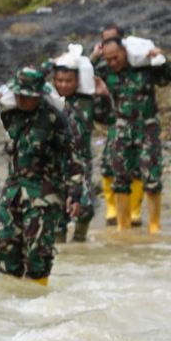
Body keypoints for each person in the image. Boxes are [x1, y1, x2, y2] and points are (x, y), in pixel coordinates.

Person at [0, 67, 84, 285]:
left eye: (26, 96)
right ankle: (9, 300)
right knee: (7, 250)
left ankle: (38, 300)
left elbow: (72, 158)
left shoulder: (55, 119)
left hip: (43, 193)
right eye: (18, 94)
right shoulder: (9, 114)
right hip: (13, 192)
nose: (21, 99)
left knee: (38, 254)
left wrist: (75, 193)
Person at [97, 37, 171, 233]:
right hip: (121, 128)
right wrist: (94, 57)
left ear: (125, 53)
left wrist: (162, 58)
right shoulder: (106, 71)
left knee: (151, 178)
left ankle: (154, 226)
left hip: (147, 128)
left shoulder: (144, 69)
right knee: (120, 178)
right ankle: (122, 226)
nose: (112, 63)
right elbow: (84, 77)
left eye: (115, 58)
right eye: (108, 59)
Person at [49, 62, 109, 242]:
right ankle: (59, 250)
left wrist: (104, 96)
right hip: (54, 163)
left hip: (81, 163)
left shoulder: (86, 102)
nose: (64, 85)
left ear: (77, 81)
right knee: (58, 214)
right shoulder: (47, 101)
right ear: (54, 81)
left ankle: (79, 240)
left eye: (69, 81)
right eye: (60, 80)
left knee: (85, 208)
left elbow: (109, 118)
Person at [90, 23, 126, 226]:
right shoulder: (103, 66)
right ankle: (112, 209)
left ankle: (132, 212)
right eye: (105, 42)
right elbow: (81, 72)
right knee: (108, 164)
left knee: (136, 168)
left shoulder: (133, 64)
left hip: (136, 120)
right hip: (114, 120)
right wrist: (95, 56)